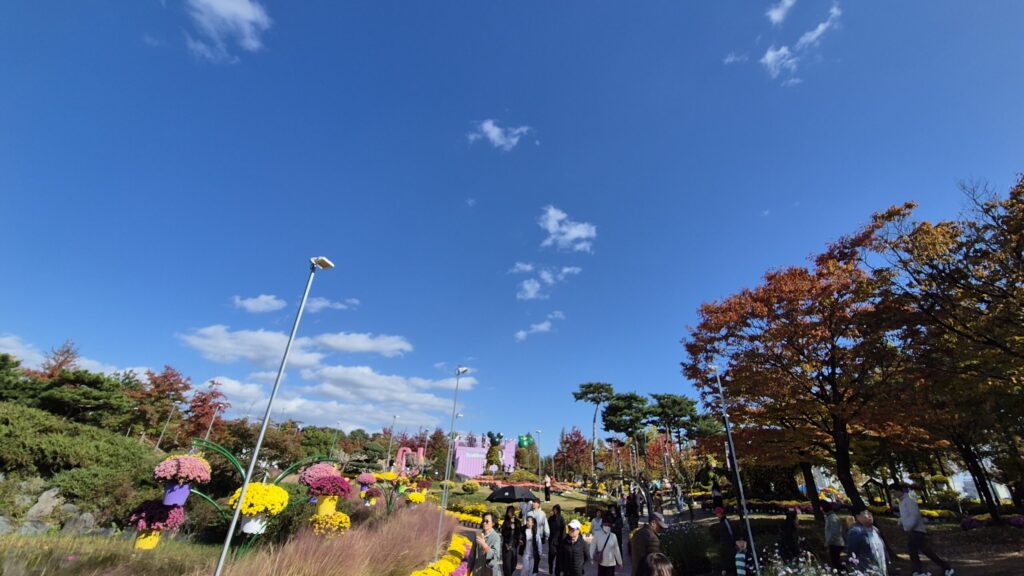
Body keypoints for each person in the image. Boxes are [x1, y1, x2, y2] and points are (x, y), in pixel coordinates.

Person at [891, 486, 955, 576]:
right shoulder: (902, 502)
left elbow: (915, 515)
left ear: (900, 491)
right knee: (918, 551)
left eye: (894, 492)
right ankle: (922, 571)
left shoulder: (909, 500)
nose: (893, 494)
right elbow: (906, 515)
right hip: (912, 531)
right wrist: (901, 521)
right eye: (892, 492)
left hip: (916, 530)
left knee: (919, 551)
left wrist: (908, 526)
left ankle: (923, 571)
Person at [846, 506, 887, 576]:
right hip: (866, 570)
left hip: (881, 569)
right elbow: (852, 554)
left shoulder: (875, 530)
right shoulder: (855, 532)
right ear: (858, 517)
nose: (870, 515)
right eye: (866, 513)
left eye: (870, 513)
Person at [714, 507, 737, 576]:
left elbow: (730, 534)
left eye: (717, 513)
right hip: (727, 545)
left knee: (730, 561)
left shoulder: (724, 523)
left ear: (720, 514)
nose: (716, 515)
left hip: (728, 545)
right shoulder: (724, 522)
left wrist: (731, 542)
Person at [824, 502, 846, 572]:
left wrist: (827, 543)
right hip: (834, 543)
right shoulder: (830, 517)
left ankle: (844, 571)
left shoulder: (832, 518)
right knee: (835, 562)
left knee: (835, 563)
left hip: (835, 543)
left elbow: (834, 532)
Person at [500, 505, 521, 576]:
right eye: (510, 511)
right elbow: (503, 533)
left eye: (512, 511)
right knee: (507, 565)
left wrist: (519, 539)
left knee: (513, 564)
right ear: (507, 513)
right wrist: (510, 528)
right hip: (507, 546)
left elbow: (519, 533)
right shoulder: (505, 522)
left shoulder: (517, 522)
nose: (511, 513)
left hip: (514, 546)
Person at [548, 504, 566, 576]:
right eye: (554, 510)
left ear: (559, 510)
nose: (555, 511)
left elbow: (563, 531)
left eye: (556, 510)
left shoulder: (561, 519)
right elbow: (547, 529)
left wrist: (563, 541)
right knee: (551, 556)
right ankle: (550, 567)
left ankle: (557, 573)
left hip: (559, 542)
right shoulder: (550, 518)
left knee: (559, 559)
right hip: (552, 541)